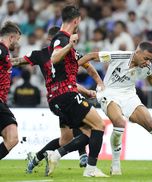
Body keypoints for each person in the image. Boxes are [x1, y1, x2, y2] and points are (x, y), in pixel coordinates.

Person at [11, 22, 106, 177]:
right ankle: (66, 156)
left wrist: (5, 61)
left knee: (65, 139)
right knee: (93, 129)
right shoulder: (69, 54)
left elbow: (17, 61)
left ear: (50, 39)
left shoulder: (39, 54)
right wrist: (99, 83)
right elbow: (87, 67)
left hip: (55, 100)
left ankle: (36, 158)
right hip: (67, 97)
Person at [78, 41, 152, 175]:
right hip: (109, 92)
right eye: (146, 58)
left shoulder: (146, 66)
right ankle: (116, 164)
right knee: (119, 122)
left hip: (129, 95)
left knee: (151, 124)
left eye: (150, 60)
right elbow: (91, 56)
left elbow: (151, 78)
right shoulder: (119, 56)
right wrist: (72, 67)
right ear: (137, 52)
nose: (147, 62)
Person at [0, 21, 21, 159]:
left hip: (1, 102)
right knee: (12, 137)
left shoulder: (5, 52)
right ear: (12, 37)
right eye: (17, 40)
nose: (17, 44)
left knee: (12, 137)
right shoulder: (1, 49)